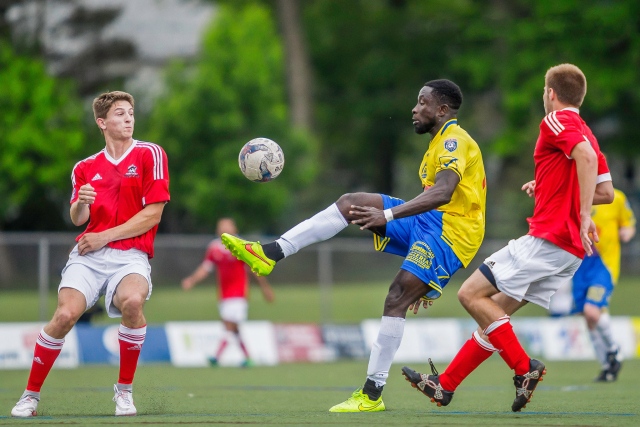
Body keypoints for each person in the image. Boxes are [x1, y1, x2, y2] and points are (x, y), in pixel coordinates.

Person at [222, 79, 487, 412]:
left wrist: (388, 216)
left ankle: (371, 395)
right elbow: (434, 200)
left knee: (396, 297)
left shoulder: (452, 141)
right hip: (431, 224)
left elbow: (443, 192)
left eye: (422, 102)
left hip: (453, 233)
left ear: (442, 109)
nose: (415, 108)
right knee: (351, 203)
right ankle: (270, 253)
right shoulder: (437, 143)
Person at [401, 63, 613, 412]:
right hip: (569, 252)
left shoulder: (556, 121)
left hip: (549, 239)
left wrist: (584, 214)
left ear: (550, 94)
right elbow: (605, 191)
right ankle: (446, 385)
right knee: (494, 313)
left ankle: (524, 368)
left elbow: (586, 161)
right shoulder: (587, 131)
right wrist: (549, 188)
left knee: (471, 295)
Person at [10, 91, 170, 418]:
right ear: (102, 122)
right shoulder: (85, 167)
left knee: (133, 302)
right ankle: (30, 396)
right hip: (88, 255)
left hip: (130, 254)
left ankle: (123, 392)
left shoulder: (150, 154)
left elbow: (153, 215)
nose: (128, 118)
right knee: (65, 316)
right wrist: (82, 202)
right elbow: (78, 219)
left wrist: (105, 236)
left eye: (131, 113)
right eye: (120, 114)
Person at [548, 188, 635, 381]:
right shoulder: (574, 196)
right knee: (588, 318)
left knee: (592, 311)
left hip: (603, 267)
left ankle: (614, 350)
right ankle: (607, 366)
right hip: (579, 266)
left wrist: (626, 232)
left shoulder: (616, 197)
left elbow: (628, 223)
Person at [181, 218, 275, 367]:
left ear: (235, 229)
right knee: (233, 327)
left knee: (229, 324)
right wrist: (191, 280)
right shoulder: (214, 247)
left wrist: (265, 288)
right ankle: (248, 358)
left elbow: (254, 270)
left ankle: (216, 356)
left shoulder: (242, 246)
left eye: (227, 226)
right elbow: (206, 268)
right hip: (223, 294)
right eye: (221, 226)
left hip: (239, 293)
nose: (223, 228)